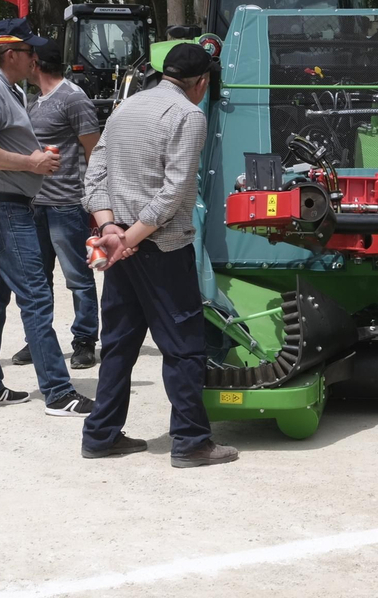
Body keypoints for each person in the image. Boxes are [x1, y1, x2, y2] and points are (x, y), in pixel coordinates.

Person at [80, 43, 237, 468]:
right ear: (201, 82)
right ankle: (190, 441)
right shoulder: (189, 115)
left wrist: (110, 228)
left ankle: (100, 434)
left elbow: (94, 174)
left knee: (117, 344)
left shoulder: (125, 108)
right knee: (184, 346)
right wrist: (129, 237)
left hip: (120, 248)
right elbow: (174, 192)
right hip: (160, 247)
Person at [0, 18, 94, 416]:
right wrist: (32, 163)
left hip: (2, 202)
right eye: (29, 51)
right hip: (3, 205)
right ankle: (58, 392)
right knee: (36, 297)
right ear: (12, 54)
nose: (35, 58)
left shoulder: (2, 87)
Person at [12, 38, 103, 370]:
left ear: (34, 62)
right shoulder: (34, 102)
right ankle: (38, 339)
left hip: (66, 204)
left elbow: (94, 152)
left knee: (77, 277)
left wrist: (95, 201)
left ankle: (84, 341)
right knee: (37, 278)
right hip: (35, 204)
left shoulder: (73, 99)